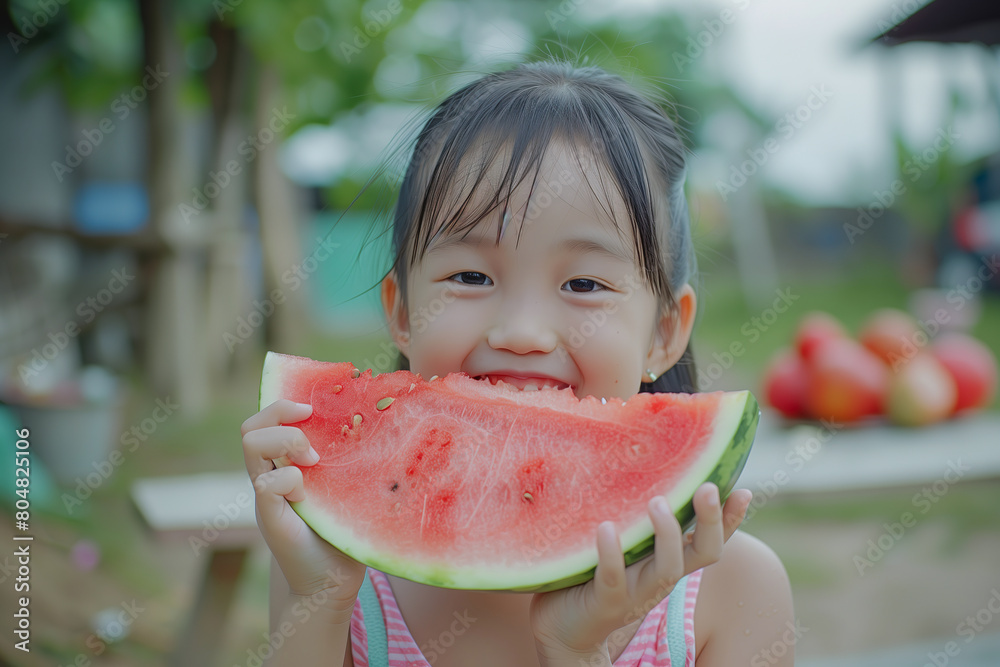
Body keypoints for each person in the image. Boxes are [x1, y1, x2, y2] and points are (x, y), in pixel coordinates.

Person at [241, 59, 795, 666]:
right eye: (472, 275)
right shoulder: (338, 576)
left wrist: (575, 652)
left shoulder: (734, 591)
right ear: (401, 311)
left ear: (665, 332)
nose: (523, 333)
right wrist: (317, 599)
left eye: (584, 284)